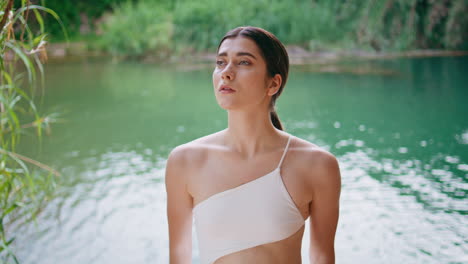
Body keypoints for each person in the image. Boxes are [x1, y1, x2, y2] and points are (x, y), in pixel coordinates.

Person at [165, 26, 341, 264]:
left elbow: (322, 256)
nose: (226, 73)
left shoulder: (318, 165)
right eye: (220, 62)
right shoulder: (185, 161)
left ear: (273, 84)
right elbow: (178, 257)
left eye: (244, 63)